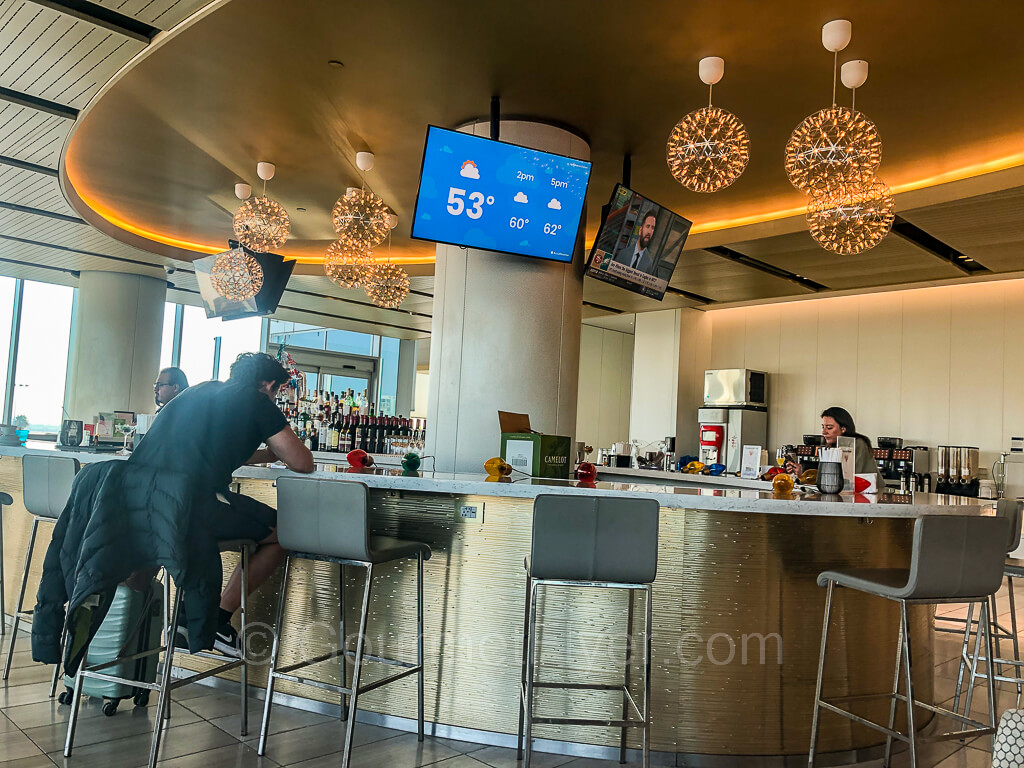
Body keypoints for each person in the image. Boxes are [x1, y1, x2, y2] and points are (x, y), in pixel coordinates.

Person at [130, 352, 314, 656]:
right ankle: (217, 620)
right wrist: (278, 447)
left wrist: (268, 454)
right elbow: (302, 462)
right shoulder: (257, 402)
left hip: (144, 501)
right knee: (285, 532)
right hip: (191, 505)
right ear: (268, 384)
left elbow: (216, 451)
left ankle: (173, 624)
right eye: (278, 391)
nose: (277, 397)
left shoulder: (199, 391)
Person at [787, 406, 884, 486]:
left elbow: (846, 479)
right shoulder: (830, 446)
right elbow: (826, 478)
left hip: (869, 496)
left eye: (829, 427)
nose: (823, 432)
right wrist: (802, 474)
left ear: (843, 428)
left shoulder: (857, 443)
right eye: (823, 427)